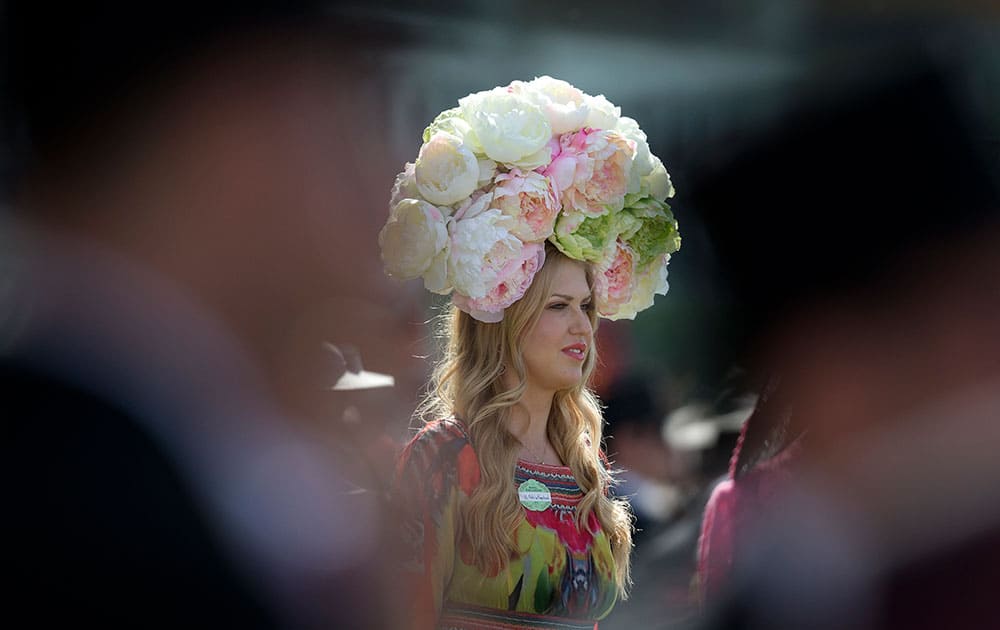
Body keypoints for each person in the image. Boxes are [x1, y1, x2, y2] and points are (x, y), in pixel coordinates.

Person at [2, 2, 401, 627]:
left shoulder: (126, 449)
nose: (390, 169)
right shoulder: (102, 531)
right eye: (360, 101)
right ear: (239, 117)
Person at [379, 76, 682, 629]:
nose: (582, 327)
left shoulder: (587, 467)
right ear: (507, 320)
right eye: (558, 306)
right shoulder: (446, 457)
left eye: (587, 306)